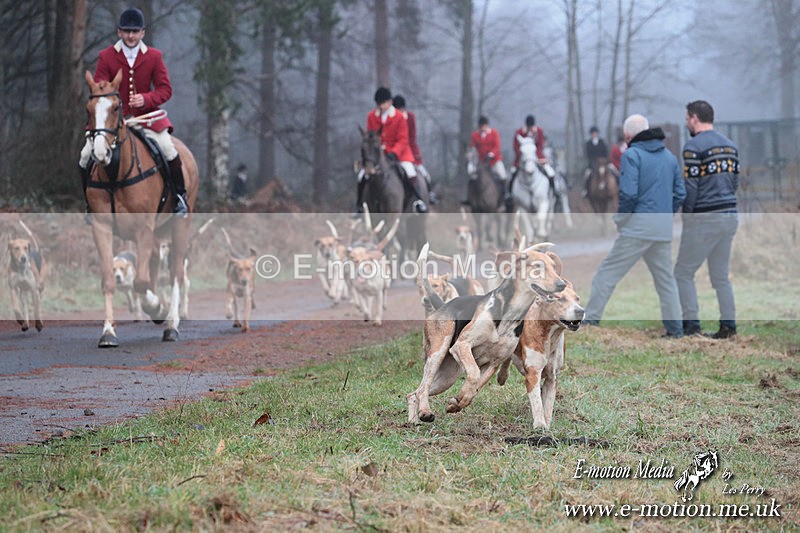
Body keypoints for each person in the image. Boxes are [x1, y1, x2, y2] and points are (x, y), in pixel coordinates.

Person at [78, 7, 188, 220]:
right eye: (126, 31)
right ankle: (90, 206)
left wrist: (146, 99)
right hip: (111, 123)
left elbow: (166, 89)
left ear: (142, 33)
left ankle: (179, 199)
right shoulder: (106, 56)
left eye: (135, 31)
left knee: (169, 149)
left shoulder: (155, 57)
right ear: (119, 32)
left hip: (146, 119)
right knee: (85, 156)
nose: (130, 36)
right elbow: (99, 88)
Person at [583, 114, 686, 338]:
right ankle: (676, 330)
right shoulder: (669, 157)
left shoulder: (631, 155)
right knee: (666, 282)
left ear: (628, 136)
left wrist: (622, 219)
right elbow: (681, 193)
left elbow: (628, 194)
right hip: (662, 229)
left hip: (638, 228)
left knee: (606, 274)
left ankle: (589, 323)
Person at [674, 100, 740, 339]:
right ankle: (728, 327)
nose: (686, 122)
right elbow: (734, 182)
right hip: (730, 215)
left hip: (705, 218)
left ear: (694, 118)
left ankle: (691, 326)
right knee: (721, 276)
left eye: (686, 118)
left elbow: (691, 187)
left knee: (683, 272)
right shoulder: (730, 146)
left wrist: (688, 217)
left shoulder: (692, 147)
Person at [355, 87, 427, 215]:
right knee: (361, 175)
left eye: (383, 103)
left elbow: (403, 139)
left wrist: (394, 153)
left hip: (399, 154)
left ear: (389, 102)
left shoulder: (399, 117)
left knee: (410, 171)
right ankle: (359, 206)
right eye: (378, 104)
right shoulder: (371, 116)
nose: (381, 106)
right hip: (378, 155)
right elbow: (371, 136)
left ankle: (418, 201)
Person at [393, 94, 436, 205]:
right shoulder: (392, 118)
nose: (399, 111)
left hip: (410, 151)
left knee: (425, 174)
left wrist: (415, 154)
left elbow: (412, 137)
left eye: (400, 109)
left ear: (404, 108)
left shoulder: (410, 117)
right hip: (394, 152)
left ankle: (426, 195)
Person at [508, 115, 558, 208]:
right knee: (512, 173)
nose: (530, 128)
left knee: (550, 172)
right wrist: (523, 156)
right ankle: (509, 195)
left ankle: (554, 192)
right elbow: (515, 147)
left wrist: (535, 157)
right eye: (529, 126)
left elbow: (540, 146)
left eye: (531, 126)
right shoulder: (519, 132)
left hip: (538, 157)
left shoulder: (539, 131)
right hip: (522, 159)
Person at [465, 116, 507, 204]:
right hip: (481, 162)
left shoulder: (494, 133)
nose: (482, 129)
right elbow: (472, 147)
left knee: (503, 175)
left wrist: (491, 154)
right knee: (472, 177)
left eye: (483, 126)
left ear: (487, 126)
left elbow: (497, 146)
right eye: (481, 127)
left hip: (494, 161)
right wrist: (470, 154)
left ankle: (505, 195)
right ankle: (469, 197)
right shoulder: (475, 135)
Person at [582, 125, 610, 197]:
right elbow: (588, 155)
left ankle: (614, 188)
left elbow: (606, 152)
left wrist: (605, 160)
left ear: (597, 133)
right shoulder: (588, 143)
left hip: (603, 163)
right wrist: (592, 162)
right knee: (586, 175)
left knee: (613, 171)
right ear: (591, 134)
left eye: (595, 133)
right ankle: (585, 190)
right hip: (593, 164)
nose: (594, 134)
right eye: (593, 133)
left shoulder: (602, 142)